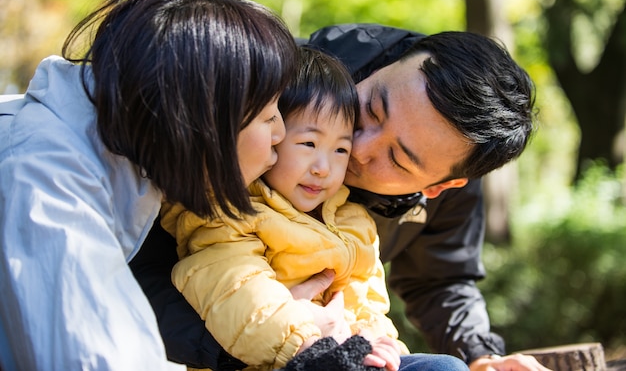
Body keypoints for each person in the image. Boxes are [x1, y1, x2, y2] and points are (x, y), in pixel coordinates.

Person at [131, 25, 548, 371]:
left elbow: (439, 277)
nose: (358, 148)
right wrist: (278, 337)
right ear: (386, 66)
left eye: (398, 160)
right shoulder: (270, 90)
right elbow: (137, 263)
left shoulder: (450, 162)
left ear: (437, 186)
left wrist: (480, 353)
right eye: (371, 108)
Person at [0, 0, 298, 370]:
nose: (281, 134)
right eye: (266, 113)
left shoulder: (118, 161)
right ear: (200, 116)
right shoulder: (48, 180)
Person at [160, 47, 469, 371]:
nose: (325, 167)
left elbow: (367, 300)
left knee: (446, 368)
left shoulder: (354, 220)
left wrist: (378, 339)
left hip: (348, 353)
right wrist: (306, 344)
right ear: (272, 130)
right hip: (284, 356)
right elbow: (236, 287)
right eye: (308, 144)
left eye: (340, 148)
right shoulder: (231, 211)